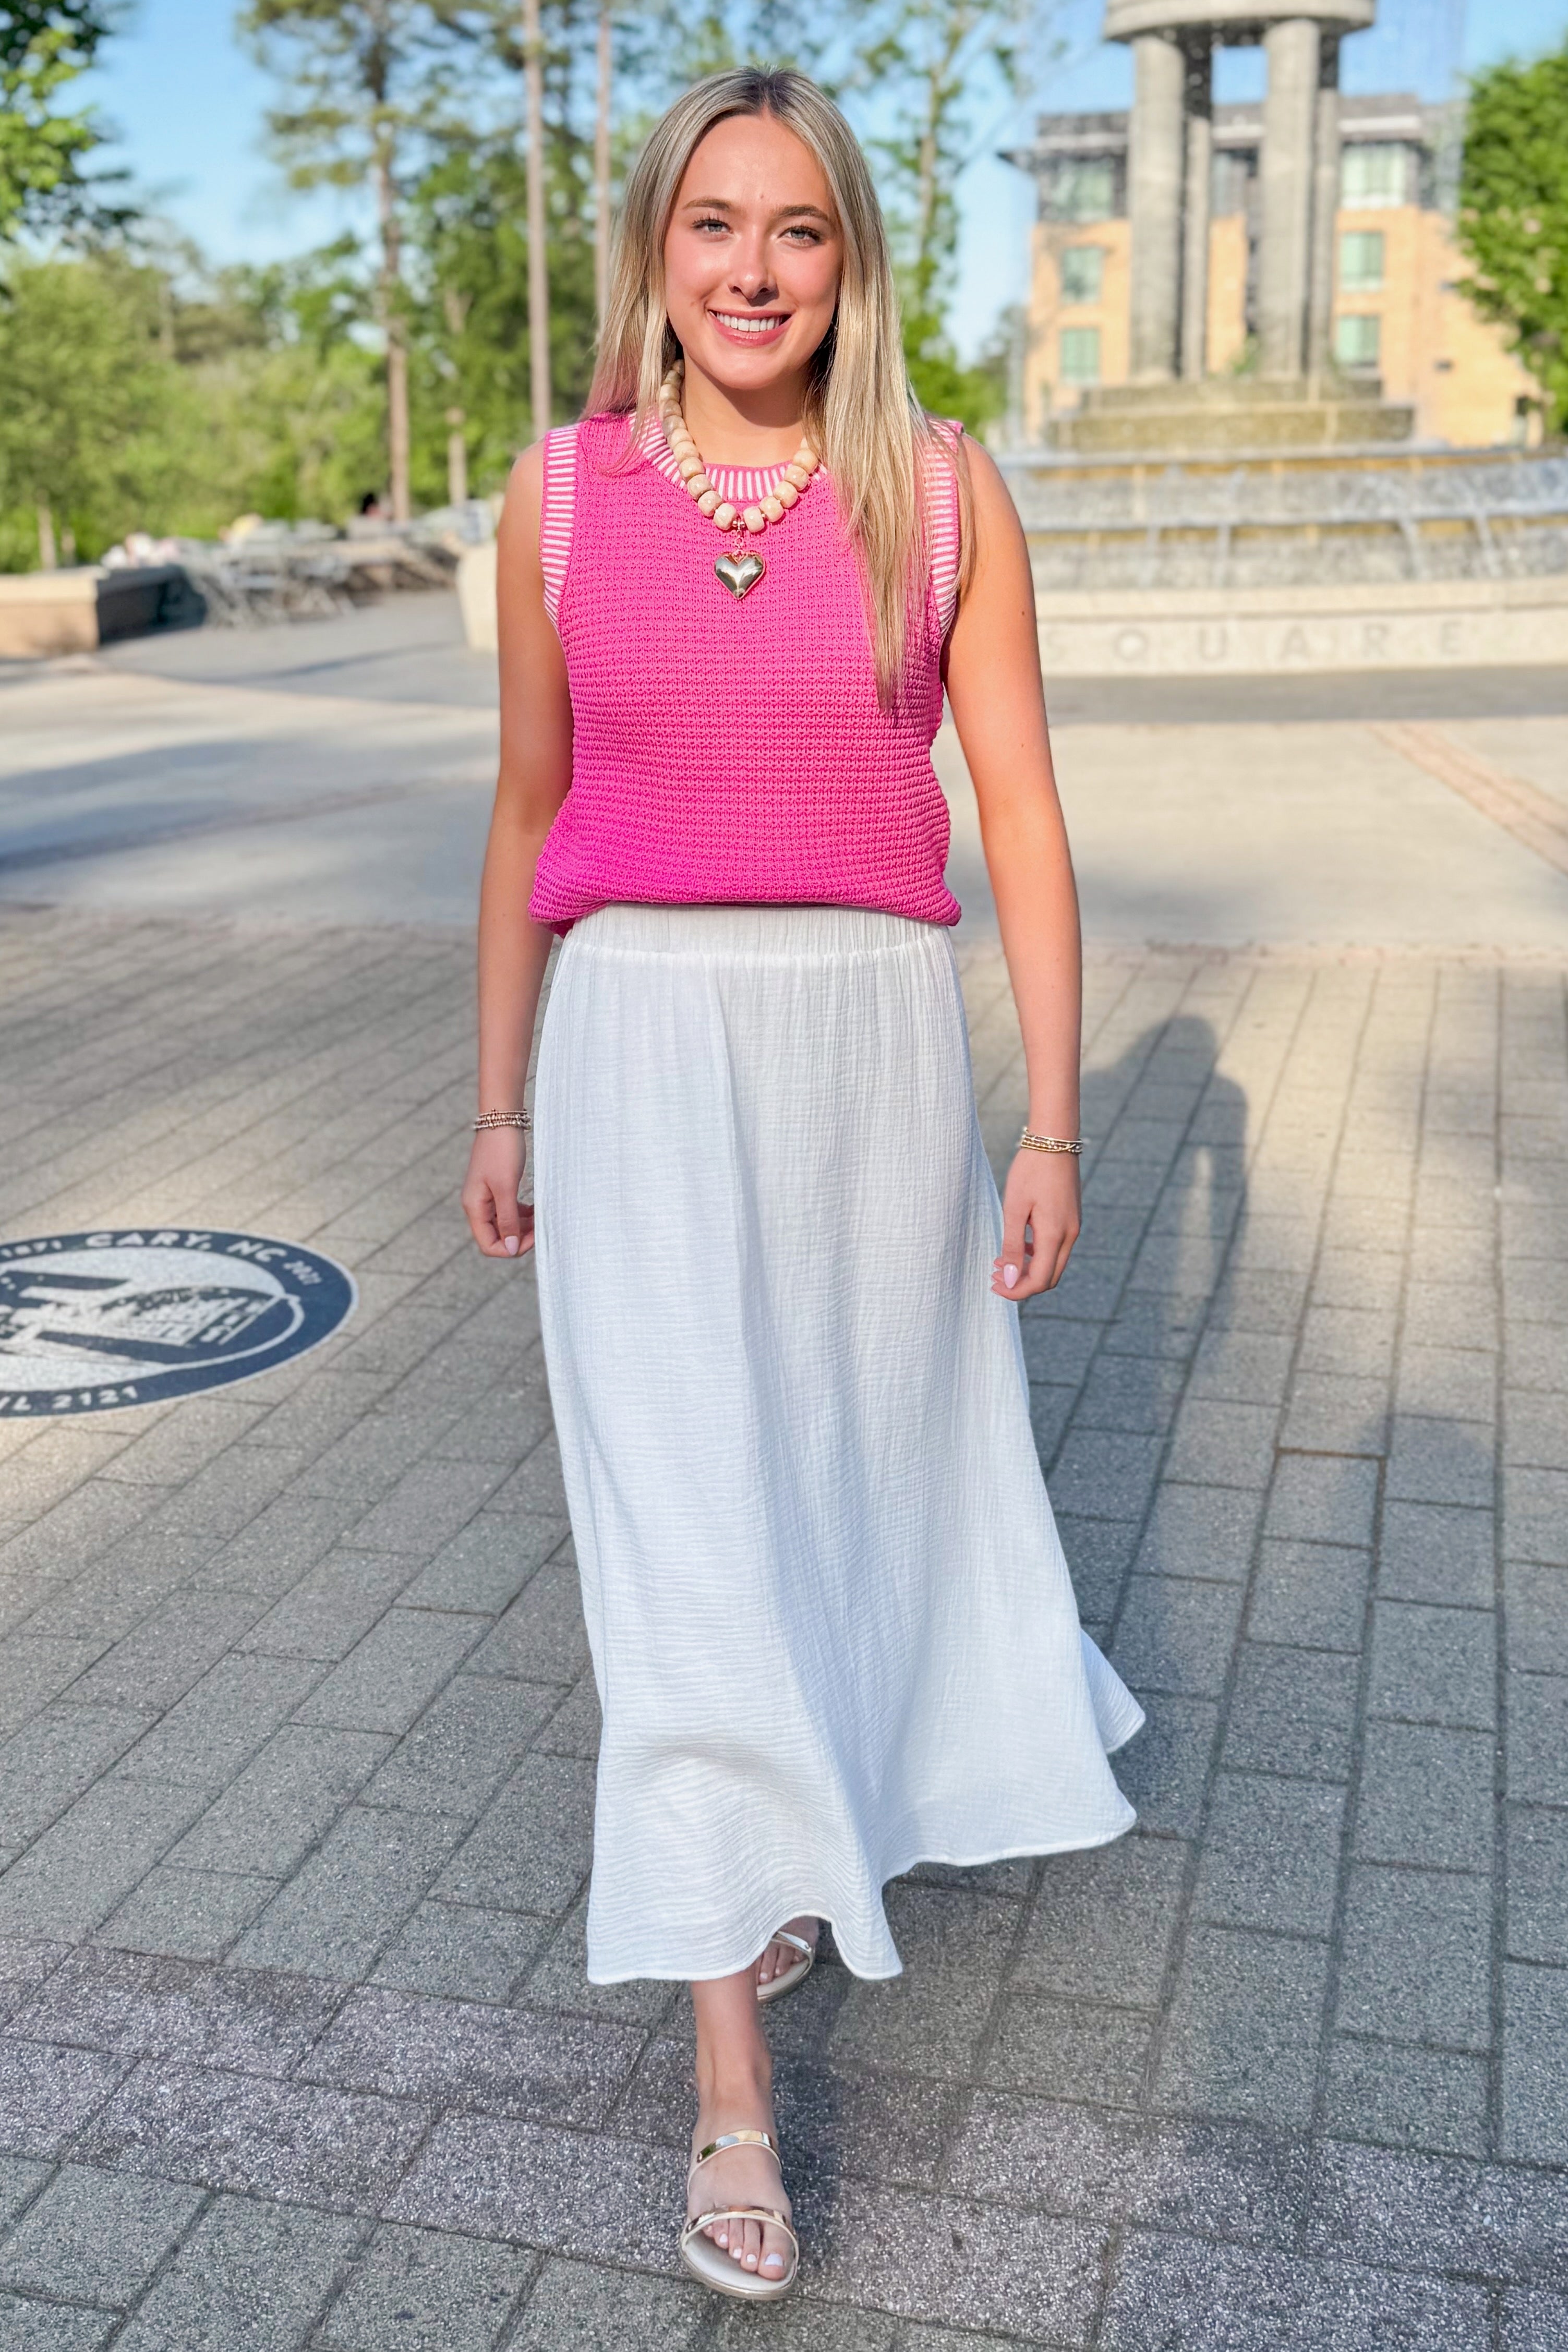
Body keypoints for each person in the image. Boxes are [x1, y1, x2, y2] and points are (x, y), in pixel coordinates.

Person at [461, 66, 1144, 2303]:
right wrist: (494, 1098)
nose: (749, 273)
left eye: (797, 233)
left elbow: (1020, 820)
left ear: (847, 258)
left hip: (866, 1057)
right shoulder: (554, 497)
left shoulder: (940, 489)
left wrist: (1047, 1119)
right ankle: (730, 2086)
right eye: (708, 229)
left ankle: (800, 1816)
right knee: (679, 1544)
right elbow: (525, 815)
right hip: (638, 1049)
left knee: (848, 1490)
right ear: (654, 250)